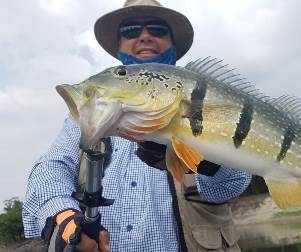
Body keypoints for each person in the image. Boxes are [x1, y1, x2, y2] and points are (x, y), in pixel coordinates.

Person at [22, 0, 252, 251]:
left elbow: (229, 186)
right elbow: (51, 166)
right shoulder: (91, 110)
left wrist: (209, 164)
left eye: (157, 28)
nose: (144, 36)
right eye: (131, 30)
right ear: (119, 45)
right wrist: (65, 215)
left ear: (173, 42)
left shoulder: (205, 99)